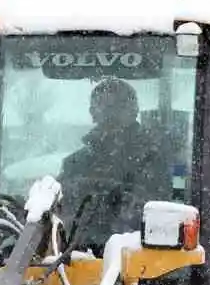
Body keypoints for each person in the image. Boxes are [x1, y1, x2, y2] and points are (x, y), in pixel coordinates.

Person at [59, 78, 172, 243]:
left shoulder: (153, 159)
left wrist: (116, 194)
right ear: (92, 112)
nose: (110, 115)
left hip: (139, 258)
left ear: (134, 111)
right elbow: (60, 210)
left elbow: (161, 216)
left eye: (118, 107)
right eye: (104, 107)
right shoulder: (74, 163)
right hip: (72, 257)